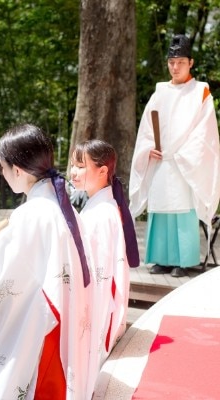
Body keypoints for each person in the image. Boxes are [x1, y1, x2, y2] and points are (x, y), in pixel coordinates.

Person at [0, 124, 94, 399]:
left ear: (18, 170)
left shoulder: (33, 214)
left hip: (42, 329)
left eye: (2, 168)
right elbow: (14, 256)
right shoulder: (61, 207)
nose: (2, 174)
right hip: (63, 322)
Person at [129, 34, 220, 278]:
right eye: (172, 62)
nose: (175, 66)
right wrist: (149, 147)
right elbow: (147, 128)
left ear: (190, 62)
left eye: (180, 61)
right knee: (160, 209)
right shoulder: (159, 92)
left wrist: (184, 154)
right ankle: (161, 259)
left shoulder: (201, 91)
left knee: (182, 208)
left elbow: (205, 132)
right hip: (161, 160)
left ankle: (184, 259)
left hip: (184, 162)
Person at [70, 139, 139, 396]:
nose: (73, 172)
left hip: (96, 299)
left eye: (81, 165)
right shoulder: (100, 205)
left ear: (102, 171)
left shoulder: (102, 213)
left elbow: (97, 272)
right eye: (73, 165)